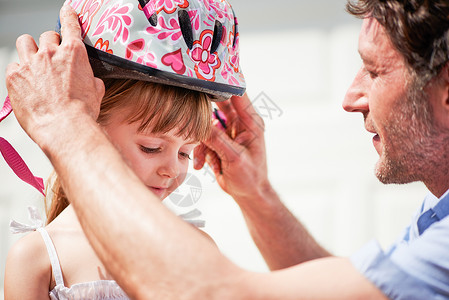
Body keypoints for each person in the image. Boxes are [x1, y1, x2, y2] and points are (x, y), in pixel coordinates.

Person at [5, 0, 449, 298]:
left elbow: (212, 289)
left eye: (374, 70)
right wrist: (256, 194)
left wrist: (65, 127)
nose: (349, 97)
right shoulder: (434, 223)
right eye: (151, 146)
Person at [3, 0, 245, 299]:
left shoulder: (197, 249)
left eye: (185, 153)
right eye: (151, 147)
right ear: (89, 122)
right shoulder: (37, 258)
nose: (172, 169)